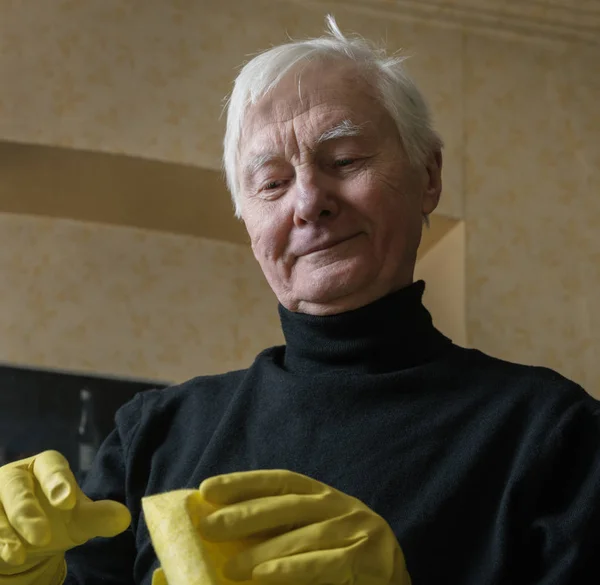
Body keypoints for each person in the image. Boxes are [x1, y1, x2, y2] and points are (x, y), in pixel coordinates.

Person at [1, 16, 599, 585]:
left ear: (429, 175)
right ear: (248, 221)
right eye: (272, 184)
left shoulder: (556, 435)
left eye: (345, 160)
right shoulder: (153, 436)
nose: (309, 201)